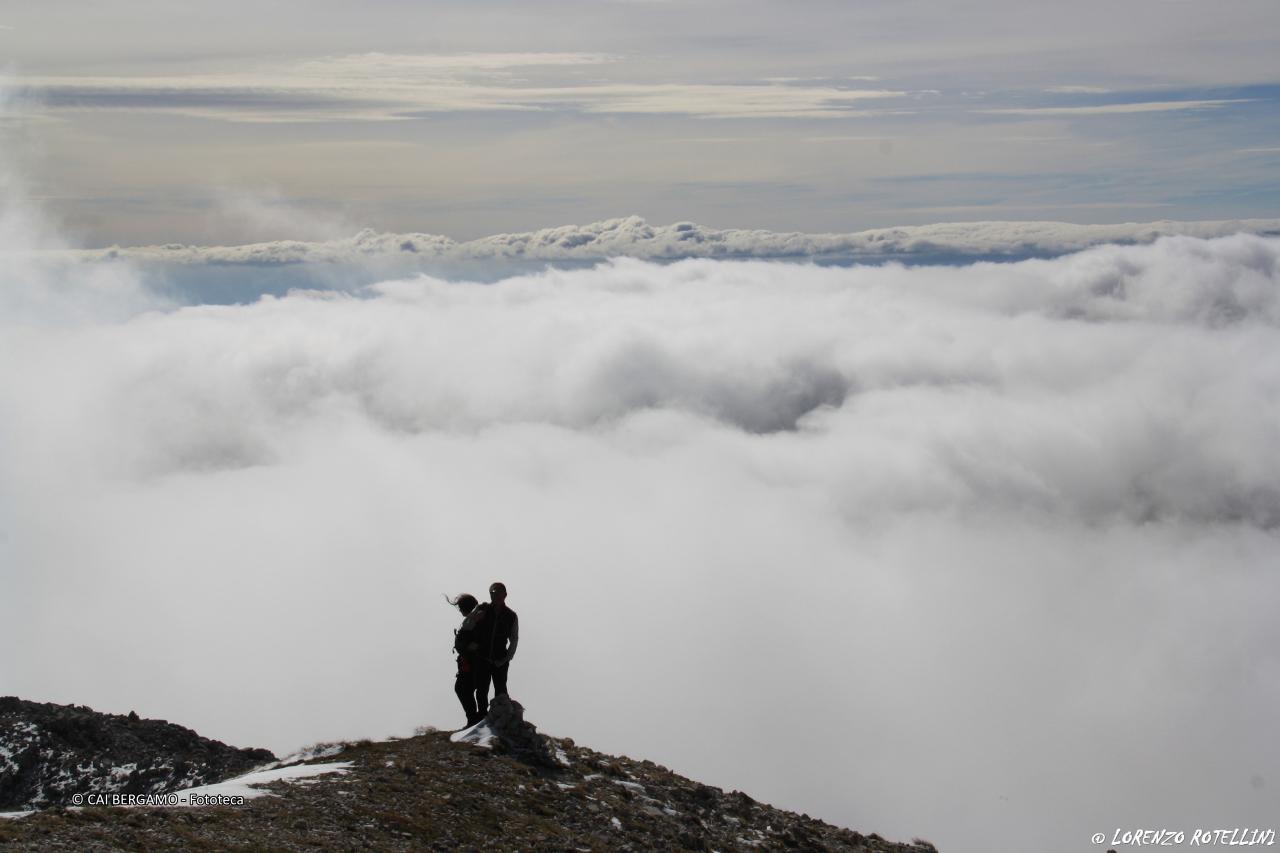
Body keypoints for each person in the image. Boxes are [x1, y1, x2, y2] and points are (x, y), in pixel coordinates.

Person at [471, 581, 519, 718]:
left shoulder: (511, 616)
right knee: (481, 690)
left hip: (500, 661)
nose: (495, 596)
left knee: (501, 692)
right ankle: (481, 720)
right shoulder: (482, 609)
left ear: (505, 595)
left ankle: (502, 719)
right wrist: (474, 618)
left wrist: (506, 658)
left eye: (498, 593)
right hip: (482, 658)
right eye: (493, 593)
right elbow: (467, 625)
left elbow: (514, 639)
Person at [446, 593, 485, 726]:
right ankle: (474, 719)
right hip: (470, 662)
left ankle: (474, 720)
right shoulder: (474, 618)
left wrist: (469, 648)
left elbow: (476, 639)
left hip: (473, 662)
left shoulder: (476, 618)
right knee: (465, 689)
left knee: (463, 689)